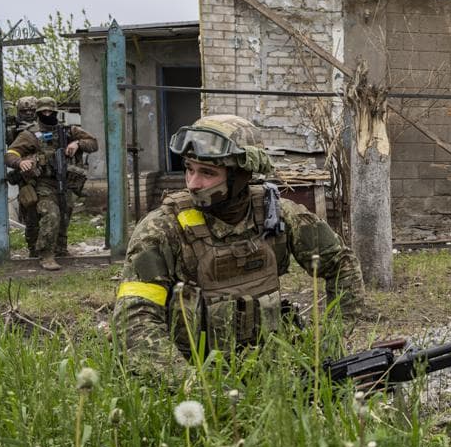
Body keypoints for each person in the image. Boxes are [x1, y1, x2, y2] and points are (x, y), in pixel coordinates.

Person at [112, 114, 364, 377]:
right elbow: (134, 321)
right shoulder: (161, 229)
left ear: (242, 174)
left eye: (208, 172)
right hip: (194, 382)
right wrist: (194, 388)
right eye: (189, 168)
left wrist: (328, 345)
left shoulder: (278, 216)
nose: (193, 183)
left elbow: (341, 265)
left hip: (272, 377)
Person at [4, 97, 98, 270]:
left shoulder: (69, 131)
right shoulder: (31, 134)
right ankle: (45, 254)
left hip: (65, 182)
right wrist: (19, 163)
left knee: (65, 212)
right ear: (38, 113)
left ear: (55, 112)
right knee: (51, 214)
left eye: (50, 111)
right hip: (42, 183)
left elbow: (94, 143)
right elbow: (10, 154)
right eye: (43, 112)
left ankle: (60, 250)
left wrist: (77, 143)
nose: (47, 114)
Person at [6, 96, 41, 255]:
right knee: (30, 211)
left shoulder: (43, 126)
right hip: (24, 175)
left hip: (43, 175)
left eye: (31, 110)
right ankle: (33, 247)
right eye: (24, 111)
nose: (28, 113)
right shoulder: (12, 128)